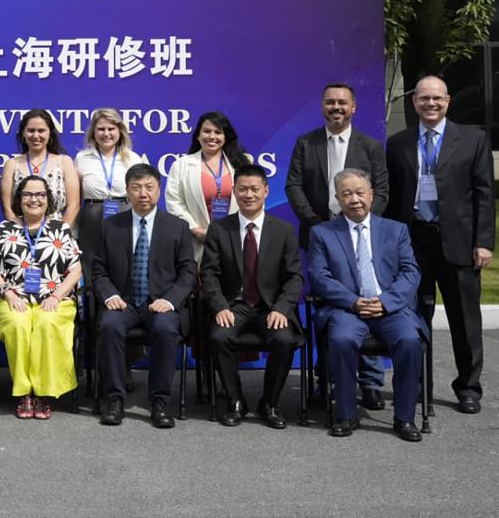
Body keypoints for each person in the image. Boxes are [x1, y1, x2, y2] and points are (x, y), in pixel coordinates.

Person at [385, 75, 493, 415]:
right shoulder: (398, 143)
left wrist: (483, 242)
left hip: (459, 242)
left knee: (465, 320)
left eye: (437, 98)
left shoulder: (473, 139)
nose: (430, 104)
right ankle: (418, 384)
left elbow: (484, 194)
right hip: (413, 240)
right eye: (424, 98)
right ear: (414, 102)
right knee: (413, 317)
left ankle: (468, 388)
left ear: (448, 101)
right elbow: (392, 198)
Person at [284, 82, 390, 406]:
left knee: (366, 301)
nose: (336, 107)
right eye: (330, 102)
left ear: (353, 107)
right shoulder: (306, 143)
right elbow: (293, 186)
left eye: (343, 102)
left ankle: (370, 382)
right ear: (322, 107)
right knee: (327, 306)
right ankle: (327, 378)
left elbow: (381, 191)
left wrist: (360, 223)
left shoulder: (370, 146)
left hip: (362, 238)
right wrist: (317, 225)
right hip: (320, 237)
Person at [310, 169, 426, 441]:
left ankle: (405, 418)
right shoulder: (322, 233)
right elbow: (319, 276)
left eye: (360, 193)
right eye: (346, 194)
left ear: (371, 195)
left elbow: (410, 272)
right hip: (347, 309)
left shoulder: (396, 230)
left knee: (409, 341)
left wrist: (385, 302)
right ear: (338, 198)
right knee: (341, 339)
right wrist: (353, 301)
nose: (354, 199)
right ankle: (346, 414)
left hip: (390, 309)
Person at [92, 164, 196, 428]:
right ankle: (114, 399)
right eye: (136, 188)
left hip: (160, 302)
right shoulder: (109, 226)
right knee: (109, 326)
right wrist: (109, 295)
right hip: (123, 301)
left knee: (165, 329)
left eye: (149, 187)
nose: (143, 193)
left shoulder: (177, 227)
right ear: (127, 191)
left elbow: (188, 272)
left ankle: (159, 401)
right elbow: (98, 269)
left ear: (159, 190)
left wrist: (170, 300)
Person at [202, 165, 302, 429]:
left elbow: (294, 277)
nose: (249, 195)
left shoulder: (283, 230)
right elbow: (209, 274)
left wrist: (281, 308)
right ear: (234, 191)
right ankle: (235, 401)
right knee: (218, 336)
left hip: (270, 307)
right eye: (243, 189)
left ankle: (269, 403)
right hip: (234, 305)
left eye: (254, 189)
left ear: (266, 191)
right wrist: (220, 307)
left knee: (284, 339)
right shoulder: (219, 229)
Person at [0, 175, 82, 419]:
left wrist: (57, 296)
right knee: (18, 324)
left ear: (48, 200)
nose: (34, 199)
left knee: (46, 324)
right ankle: (24, 392)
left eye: (40, 194)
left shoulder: (60, 228)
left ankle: (43, 393)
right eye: (27, 194)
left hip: (55, 298)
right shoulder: (6, 228)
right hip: (13, 297)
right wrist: (8, 294)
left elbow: (76, 269)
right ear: (19, 199)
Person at [165, 110, 248, 262]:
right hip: (195, 241)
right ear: (198, 135)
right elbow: (174, 202)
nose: (212, 136)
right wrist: (196, 230)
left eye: (218, 132)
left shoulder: (242, 164)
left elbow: (254, 199)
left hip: (235, 239)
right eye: (206, 131)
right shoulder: (181, 165)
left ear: (225, 137)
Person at [74, 108, 146, 263]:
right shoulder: (81, 158)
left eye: (111, 128)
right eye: (101, 129)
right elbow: (75, 197)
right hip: (92, 216)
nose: (106, 133)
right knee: (91, 262)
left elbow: (141, 194)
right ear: (93, 132)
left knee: (123, 261)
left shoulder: (133, 159)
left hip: (125, 213)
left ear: (120, 131)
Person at [0, 108, 80, 228]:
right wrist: (20, 231)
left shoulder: (64, 162)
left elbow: (73, 206)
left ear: (50, 133)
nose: (36, 135)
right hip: (21, 232)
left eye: (41, 131)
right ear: (23, 133)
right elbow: (7, 207)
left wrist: (60, 232)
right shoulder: (11, 165)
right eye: (31, 130)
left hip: (58, 233)